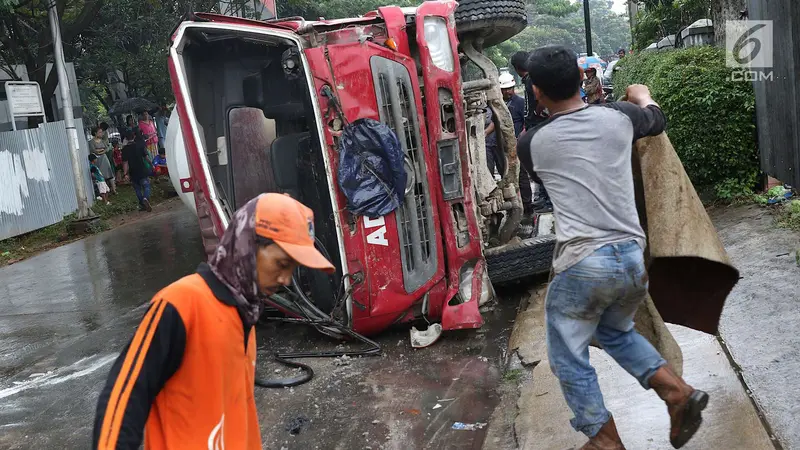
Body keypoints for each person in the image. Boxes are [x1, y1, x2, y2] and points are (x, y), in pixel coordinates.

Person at [517, 45, 708, 450]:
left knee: (567, 355)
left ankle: (604, 441)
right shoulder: (620, 119)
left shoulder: (531, 144)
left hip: (584, 262)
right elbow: (656, 118)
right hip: (631, 259)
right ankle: (677, 392)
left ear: (535, 91)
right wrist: (640, 93)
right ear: (580, 78)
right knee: (615, 331)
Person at [93, 193, 336, 450]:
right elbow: (124, 397)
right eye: (282, 264)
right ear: (247, 245)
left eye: (293, 269)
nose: (286, 280)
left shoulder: (244, 314)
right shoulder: (182, 303)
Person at [510, 51, 552, 213]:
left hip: (537, 125)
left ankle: (548, 200)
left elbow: (538, 99)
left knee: (541, 163)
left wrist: (536, 113)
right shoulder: (531, 78)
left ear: (517, 67)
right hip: (535, 125)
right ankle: (543, 197)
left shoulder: (530, 81)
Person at [122, 129, 153, 212]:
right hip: (142, 169)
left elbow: (125, 163)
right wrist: (151, 165)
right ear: (134, 136)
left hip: (133, 172)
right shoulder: (140, 145)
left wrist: (125, 174)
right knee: (146, 186)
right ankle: (145, 198)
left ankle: (142, 205)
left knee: (137, 189)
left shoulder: (125, 150)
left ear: (126, 138)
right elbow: (146, 158)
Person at [89, 126, 117, 195]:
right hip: (97, 159)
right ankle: (104, 191)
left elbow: (107, 148)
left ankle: (114, 189)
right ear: (95, 133)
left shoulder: (102, 141)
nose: (101, 134)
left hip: (104, 158)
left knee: (109, 172)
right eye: (100, 132)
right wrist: (100, 151)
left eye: (101, 132)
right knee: (101, 174)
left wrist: (102, 151)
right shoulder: (91, 142)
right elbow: (93, 150)